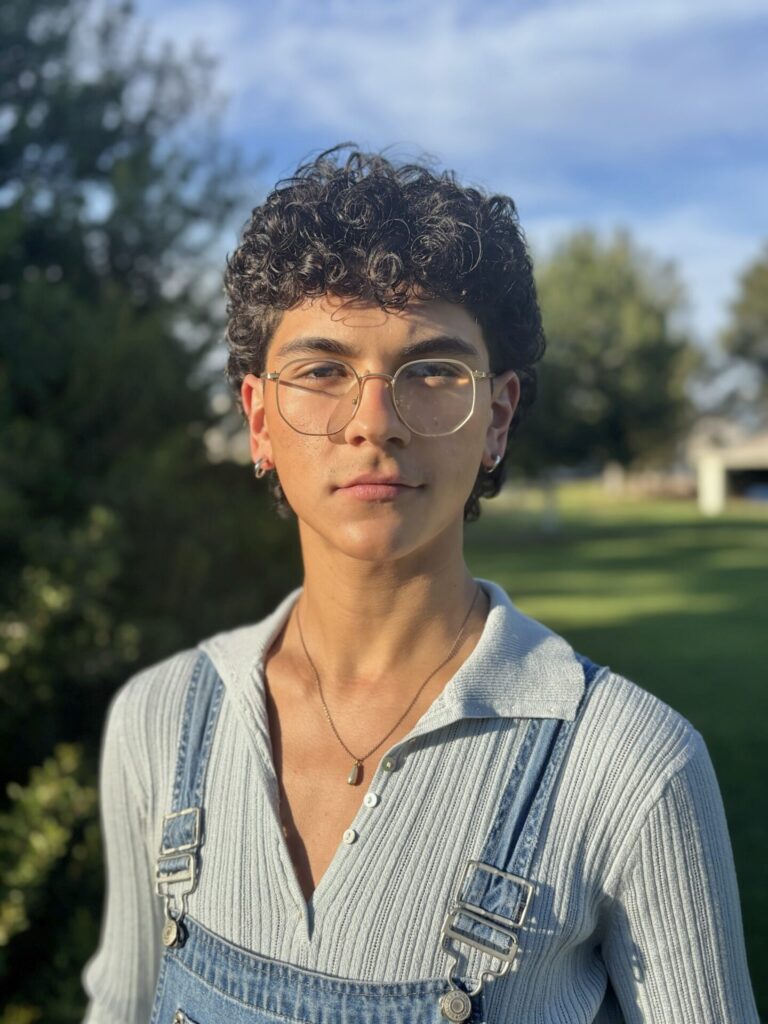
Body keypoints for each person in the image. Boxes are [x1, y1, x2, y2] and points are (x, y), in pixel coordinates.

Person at [81, 146, 758, 1024]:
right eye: (323, 371)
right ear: (258, 419)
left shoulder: (632, 768)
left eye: (433, 371)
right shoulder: (162, 719)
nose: (376, 423)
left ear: (497, 418)